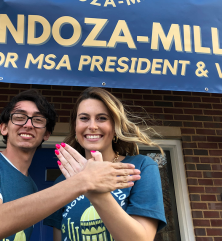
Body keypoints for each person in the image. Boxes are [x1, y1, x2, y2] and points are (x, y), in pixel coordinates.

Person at [0, 89, 141, 241]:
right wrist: (83, 180)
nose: (28, 124)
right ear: (3, 127)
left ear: (47, 134)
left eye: (38, 120)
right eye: (19, 117)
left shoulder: (32, 187)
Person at [45, 87, 167, 241]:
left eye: (102, 118)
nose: (92, 126)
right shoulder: (62, 181)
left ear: (115, 127)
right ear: (75, 127)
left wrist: (92, 189)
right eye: (84, 118)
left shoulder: (140, 167)